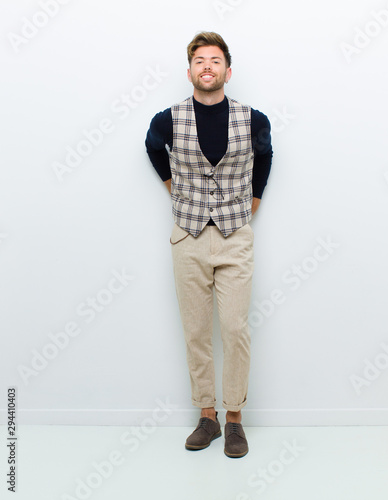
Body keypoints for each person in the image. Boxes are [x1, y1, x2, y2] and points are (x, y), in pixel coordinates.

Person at [145, 31, 272, 458]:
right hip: (188, 235)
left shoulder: (253, 119)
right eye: (200, 60)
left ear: (227, 71)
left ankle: (234, 419)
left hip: (236, 235)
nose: (207, 66)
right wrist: (173, 190)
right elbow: (152, 148)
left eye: (215, 60)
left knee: (235, 329)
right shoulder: (168, 119)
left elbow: (265, 155)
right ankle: (207, 417)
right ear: (190, 71)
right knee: (197, 331)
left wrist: (253, 200)